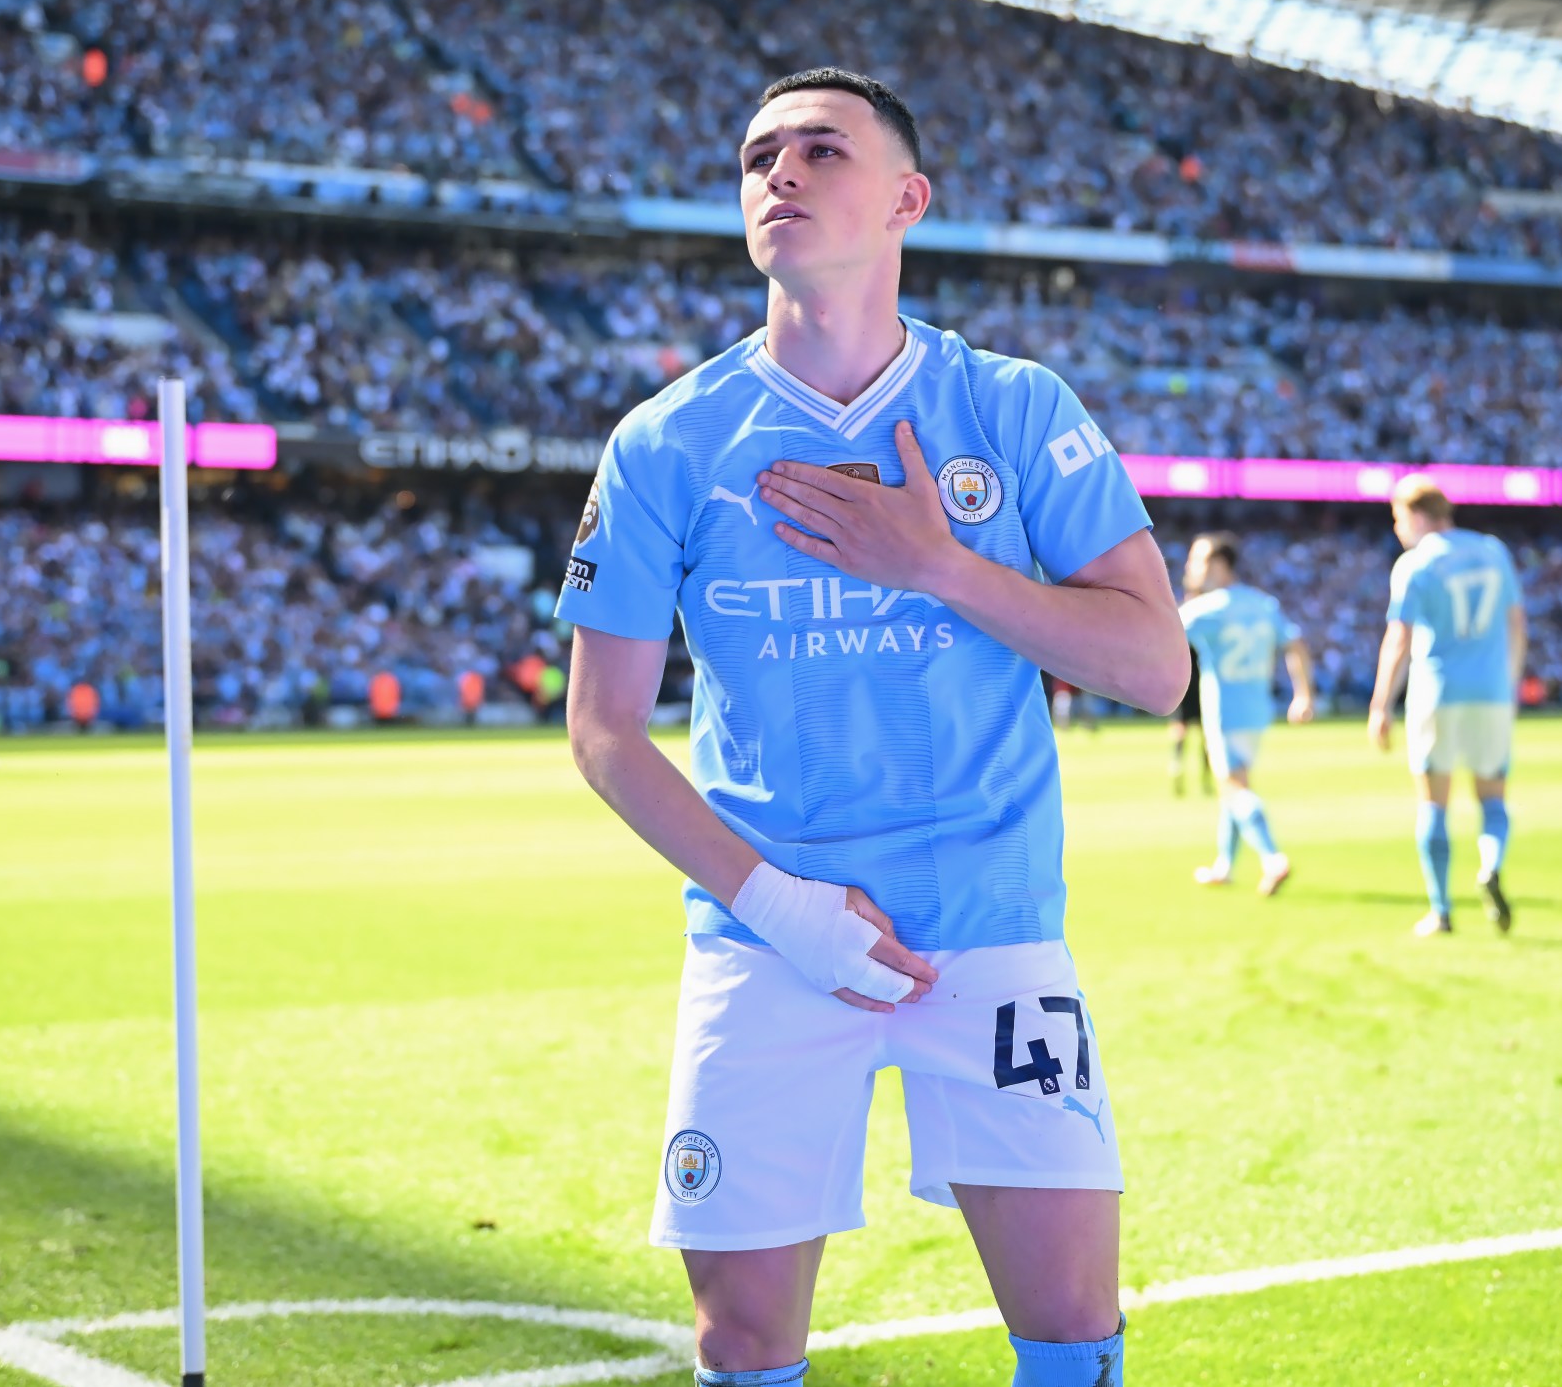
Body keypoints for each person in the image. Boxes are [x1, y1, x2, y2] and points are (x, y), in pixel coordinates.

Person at [558, 67, 1187, 1387]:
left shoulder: (1015, 411)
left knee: (1073, 1326)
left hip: (993, 924)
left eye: (819, 148)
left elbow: (1155, 665)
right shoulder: (667, 441)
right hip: (771, 935)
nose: (778, 171)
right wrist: (781, 905)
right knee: (742, 1339)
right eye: (758, 155)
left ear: (907, 197)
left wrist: (946, 566)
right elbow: (605, 730)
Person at [1367, 477, 1525, 937]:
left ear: (1417, 516)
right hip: (1493, 692)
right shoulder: (1496, 552)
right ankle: (1490, 865)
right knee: (1493, 798)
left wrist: (1381, 705)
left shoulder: (1415, 564)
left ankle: (1441, 910)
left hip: (1438, 692)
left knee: (1433, 804)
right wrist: (1508, 685)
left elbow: (1400, 638)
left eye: (1398, 520)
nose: (1398, 531)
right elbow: (1517, 624)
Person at [1177, 532, 1316, 895]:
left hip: (1226, 710)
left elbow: (1164, 631)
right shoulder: (1262, 604)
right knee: (1235, 786)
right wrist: (1302, 693)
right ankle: (1225, 865)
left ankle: (1272, 857)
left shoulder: (1208, 608)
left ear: (1220, 566)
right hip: (1258, 710)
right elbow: (1296, 644)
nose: (1191, 567)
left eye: (1199, 560)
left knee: (1233, 786)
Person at [1165, 646, 1213, 797]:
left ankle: (1176, 765)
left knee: (1180, 729)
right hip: (1201, 683)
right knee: (1206, 734)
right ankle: (1206, 776)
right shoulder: (1200, 627)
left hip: (1182, 682)